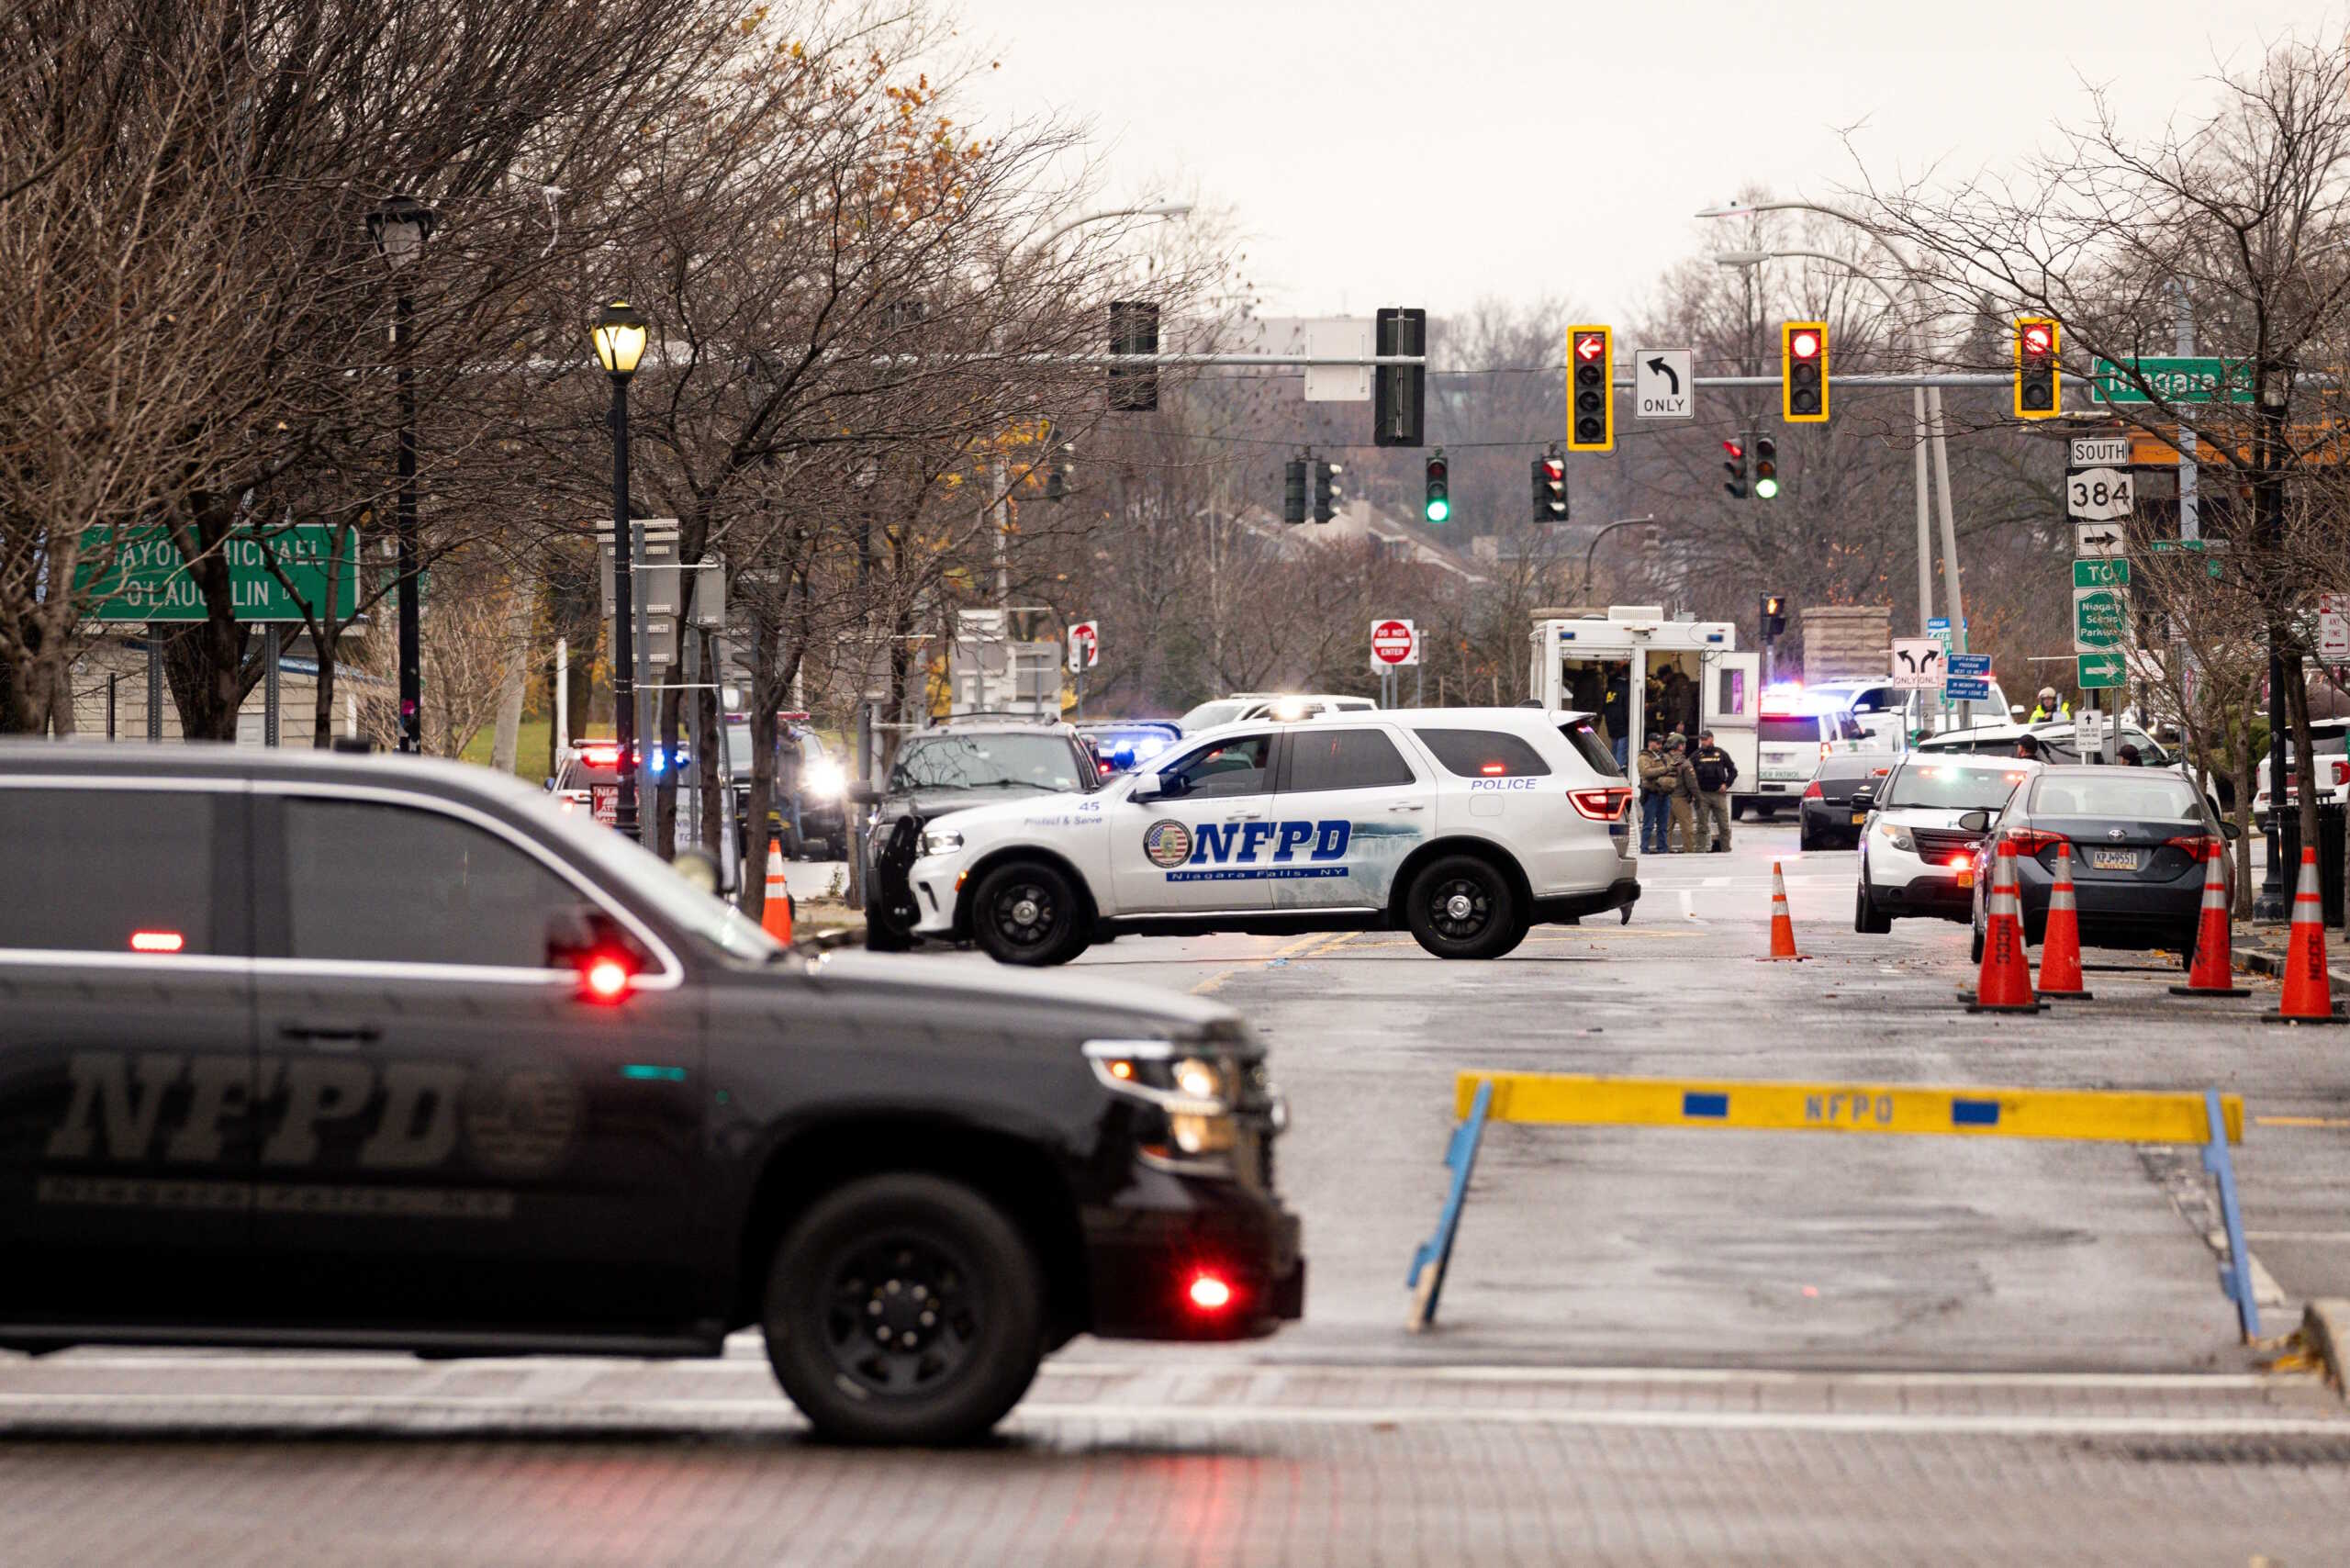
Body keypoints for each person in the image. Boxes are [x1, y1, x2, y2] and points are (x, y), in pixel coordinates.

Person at [1692, 728, 1739, 851]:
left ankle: (1726, 849)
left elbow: (1733, 771)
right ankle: (1700, 850)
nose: (1703, 742)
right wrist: (1694, 790)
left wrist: (1726, 784)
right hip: (1703, 795)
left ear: (1711, 739)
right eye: (1701, 740)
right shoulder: (1697, 755)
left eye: (1705, 740)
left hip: (1718, 794)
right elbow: (1689, 773)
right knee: (1702, 826)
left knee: (1723, 825)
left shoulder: (1721, 753)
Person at [1635, 733, 1673, 855]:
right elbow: (1646, 773)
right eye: (1657, 743)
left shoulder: (1663, 756)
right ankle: (1644, 849)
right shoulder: (1643, 757)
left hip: (1664, 794)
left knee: (1663, 825)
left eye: (1661, 743)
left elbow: (1671, 768)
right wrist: (1665, 770)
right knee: (1648, 824)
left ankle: (1662, 848)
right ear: (1650, 743)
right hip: (1651, 794)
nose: (1660, 745)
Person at [1666, 734, 1703, 854]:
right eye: (1683, 744)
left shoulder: (1663, 759)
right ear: (1680, 746)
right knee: (1687, 828)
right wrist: (1698, 798)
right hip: (1680, 799)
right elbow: (1692, 784)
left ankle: (1666, 849)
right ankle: (1689, 851)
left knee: (1667, 828)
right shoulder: (1684, 763)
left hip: (1665, 799)